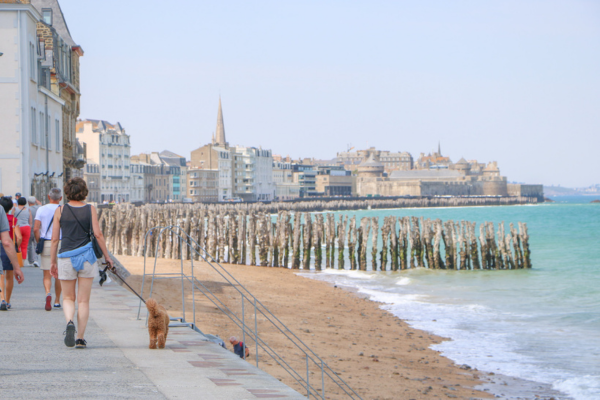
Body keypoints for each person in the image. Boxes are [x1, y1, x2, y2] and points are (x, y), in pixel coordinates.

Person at [50, 178, 114, 349]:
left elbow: (55, 239)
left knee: (68, 298)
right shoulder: (90, 209)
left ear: (67, 192)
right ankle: (80, 338)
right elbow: (98, 235)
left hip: (66, 257)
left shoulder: (60, 210)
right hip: (87, 257)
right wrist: (107, 257)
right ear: (83, 191)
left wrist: (52, 262)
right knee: (83, 301)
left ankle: (70, 321)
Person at [34, 189, 63, 311]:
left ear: (48, 196)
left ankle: (47, 293)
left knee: (47, 274)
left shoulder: (41, 209)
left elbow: (36, 228)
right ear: (61, 198)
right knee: (59, 274)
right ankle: (57, 300)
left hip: (46, 241)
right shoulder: (63, 209)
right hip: (61, 243)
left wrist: (38, 241)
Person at [0, 197, 23, 310]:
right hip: (7, 247)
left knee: (1, 275)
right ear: (10, 208)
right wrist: (16, 247)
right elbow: (19, 237)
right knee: (9, 276)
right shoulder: (13, 220)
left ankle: (1, 298)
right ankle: (8, 301)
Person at [13, 197, 32, 264]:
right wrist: (30, 227)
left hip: (18, 227)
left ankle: (17, 258)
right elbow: (30, 220)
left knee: (17, 244)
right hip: (27, 227)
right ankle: (23, 260)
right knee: (24, 245)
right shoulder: (28, 210)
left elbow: (12, 218)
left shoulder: (15, 209)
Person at [27, 196, 41, 267]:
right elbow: (40, 204)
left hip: (29, 228)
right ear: (35, 202)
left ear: (28, 202)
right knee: (36, 244)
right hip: (38, 228)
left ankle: (30, 260)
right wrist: (37, 200)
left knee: (29, 245)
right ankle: (36, 259)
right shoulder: (39, 208)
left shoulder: (27, 209)